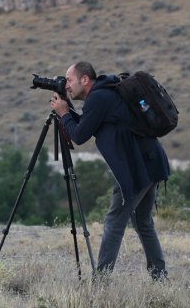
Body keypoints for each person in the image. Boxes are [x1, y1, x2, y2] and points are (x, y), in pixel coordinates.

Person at [49, 61, 170, 281]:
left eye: (69, 80)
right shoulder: (105, 92)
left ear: (85, 79)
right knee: (143, 221)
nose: (66, 85)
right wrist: (66, 112)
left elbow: (78, 135)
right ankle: (160, 277)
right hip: (151, 162)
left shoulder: (97, 98)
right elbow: (85, 126)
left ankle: (101, 282)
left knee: (115, 221)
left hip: (136, 169)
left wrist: (64, 113)